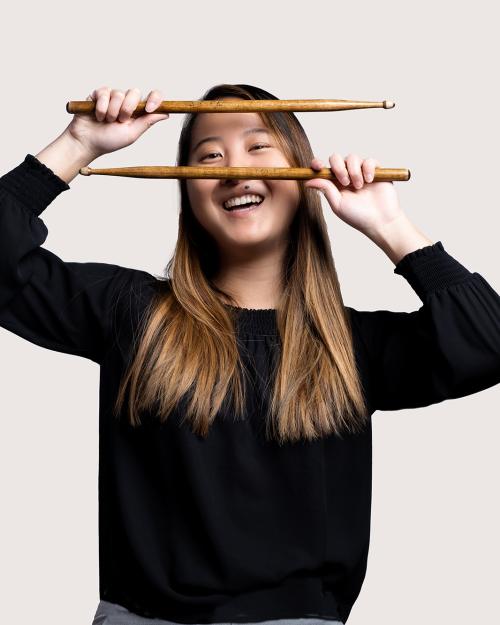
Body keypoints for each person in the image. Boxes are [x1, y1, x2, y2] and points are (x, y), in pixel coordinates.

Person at [0, 83, 499, 625]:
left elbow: (488, 343)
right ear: (187, 190)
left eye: (260, 147)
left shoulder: (350, 345)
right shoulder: (130, 311)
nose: (235, 170)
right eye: (209, 157)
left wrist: (389, 227)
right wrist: (78, 143)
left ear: (303, 178)